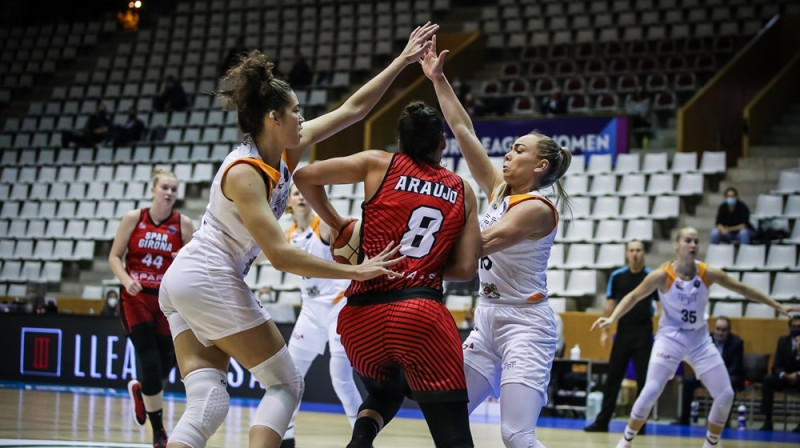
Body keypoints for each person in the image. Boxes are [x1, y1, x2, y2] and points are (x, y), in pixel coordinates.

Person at [158, 23, 438, 448]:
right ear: (273, 117)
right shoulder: (244, 173)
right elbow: (282, 255)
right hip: (207, 275)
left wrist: (401, 61)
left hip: (185, 282)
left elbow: (353, 110)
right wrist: (357, 271)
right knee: (286, 385)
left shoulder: (285, 149)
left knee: (207, 402)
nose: (302, 117)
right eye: (296, 110)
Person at [293, 99, 482, 448]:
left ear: (399, 141)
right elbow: (467, 268)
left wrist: (335, 222)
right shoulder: (461, 189)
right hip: (420, 316)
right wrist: (424, 266)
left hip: (360, 319)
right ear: (442, 143)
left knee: (385, 392)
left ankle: (360, 442)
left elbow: (303, 176)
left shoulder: (377, 164)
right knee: (454, 435)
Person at [422, 37, 572, 448]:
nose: (508, 155)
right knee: (447, 415)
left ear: (539, 165)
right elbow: (463, 129)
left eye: (518, 150)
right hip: (488, 319)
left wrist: (417, 251)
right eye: (509, 148)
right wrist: (438, 80)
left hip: (527, 325)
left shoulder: (537, 208)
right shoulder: (498, 190)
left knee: (515, 436)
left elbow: (480, 245)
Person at [591, 227, 799, 448]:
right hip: (670, 338)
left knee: (726, 394)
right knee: (651, 389)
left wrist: (777, 306)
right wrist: (612, 318)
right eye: (688, 241)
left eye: (696, 241)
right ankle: (626, 440)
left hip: (699, 340)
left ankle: (711, 444)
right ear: (676, 245)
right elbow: (633, 297)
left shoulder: (706, 273)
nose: (693, 245)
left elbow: (742, 289)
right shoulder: (663, 275)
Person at [108, 168, 195, 448]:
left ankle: (141, 392)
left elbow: (193, 265)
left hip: (167, 301)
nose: (169, 193)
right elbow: (113, 256)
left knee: (166, 361)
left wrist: (183, 256)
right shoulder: (134, 218)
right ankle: (159, 433)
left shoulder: (184, 224)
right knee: (148, 357)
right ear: (153, 190)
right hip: (135, 299)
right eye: (164, 187)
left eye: (173, 189)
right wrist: (125, 279)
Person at [280, 184, 363, 448]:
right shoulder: (287, 234)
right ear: (289, 202)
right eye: (296, 193)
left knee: (341, 380)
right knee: (290, 378)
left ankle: (362, 438)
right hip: (310, 310)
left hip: (338, 308)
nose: (301, 196)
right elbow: (258, 257)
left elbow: (352, 228)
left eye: (305, 192)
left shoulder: (323, 226)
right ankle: (287, 436)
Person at [585, 240, 661, 433]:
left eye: (639, 250)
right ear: (627, 253)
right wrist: (605, 333)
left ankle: (639, 425)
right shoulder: (617, 277)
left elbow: (660, 307)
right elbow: (609, 306)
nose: (635, 253)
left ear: (643, 253)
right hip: (623, 331)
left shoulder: (651, 276)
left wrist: (661, 333)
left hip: (644, 332)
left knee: (644, 380)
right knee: (613, 378)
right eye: (632, 250)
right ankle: (602, 422)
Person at [676, 316, 744, 426]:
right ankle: (684, 420)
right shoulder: (707, 339)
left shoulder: (737, 343)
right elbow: (697, 360)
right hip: (705, 373)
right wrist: (703, 376)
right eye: (718, 329)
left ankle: (722, 422)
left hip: (726, 376)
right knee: (688, 381)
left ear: (729, 330)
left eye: (724, 330)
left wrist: (716, 378)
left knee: (731, 384)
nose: (720, 333)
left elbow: (736, 367)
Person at [759, 315, 800, 432]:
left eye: (799, 326)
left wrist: (797, 374)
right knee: (768, 380)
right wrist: (785, 375)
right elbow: (776, 366)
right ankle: (768, 420)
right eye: (793, 326)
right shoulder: (783, 341)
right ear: (789, 327)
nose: (796, 329)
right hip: (785, 378)